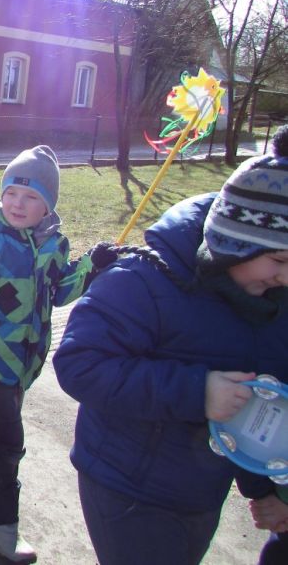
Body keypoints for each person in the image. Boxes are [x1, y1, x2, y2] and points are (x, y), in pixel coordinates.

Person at [52, 126, 288, 565]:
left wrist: (266, 486)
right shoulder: (146, 280)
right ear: (236, 242)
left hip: (201, 491)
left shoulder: (274, 301)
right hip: (128, 487)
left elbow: (265, 399)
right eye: (278, 260)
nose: (285, 277)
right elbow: (79, 363)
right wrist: (197, 391)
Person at [0, 145, 108, 563]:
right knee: (10, 440)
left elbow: (60, 291)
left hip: (25, 361)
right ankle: (1, 524)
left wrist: (91, 266)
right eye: (11, 192)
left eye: (31, 197)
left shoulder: (52, 245)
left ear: (48, 206)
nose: (17, 203)